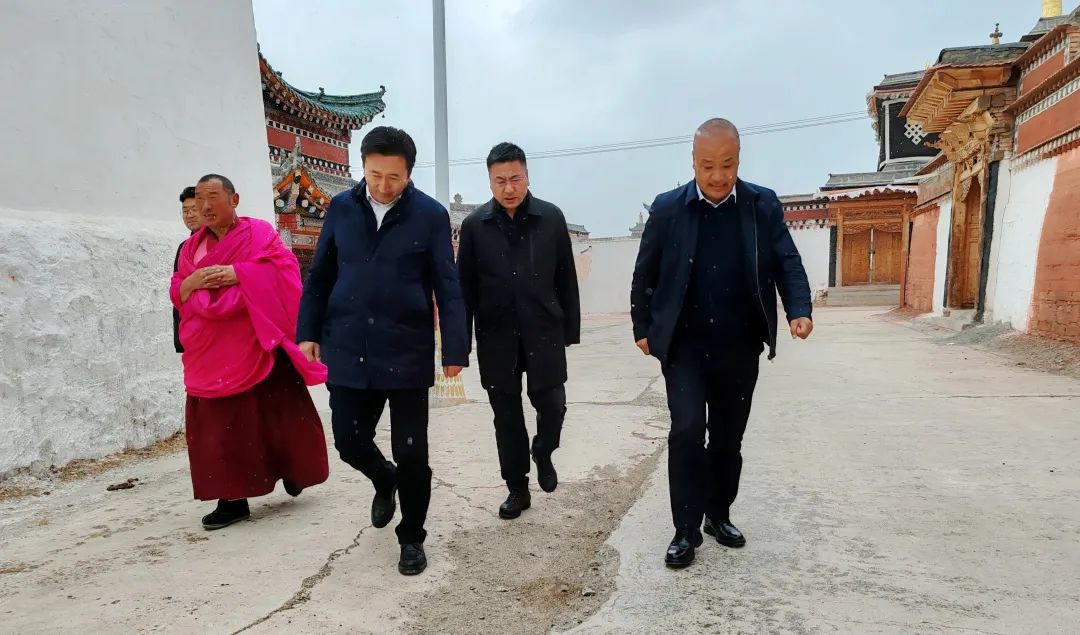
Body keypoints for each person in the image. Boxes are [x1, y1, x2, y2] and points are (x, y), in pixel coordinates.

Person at [630, 119, 813, 568]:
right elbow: (645, 272)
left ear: (739, 160)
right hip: (684, 346)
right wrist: (642, 327)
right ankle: (684, 529)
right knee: (687, 430)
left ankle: (718, 514)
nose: (717, 176)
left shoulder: (760, 204)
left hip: (739, 342)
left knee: (728, 438)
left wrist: (799, 309)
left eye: (727, 165)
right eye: (708, 165)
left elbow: (786, 260)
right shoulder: (668, 208)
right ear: (693, 162)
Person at [297, 127, 468, 576]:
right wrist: (308, 330)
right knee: (348, 440)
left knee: (412, 453)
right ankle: (382, 477)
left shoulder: (429, 215)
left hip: (406, 348)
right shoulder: (341, 208)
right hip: (348, 343)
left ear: (409, 173)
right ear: (364, 167)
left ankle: (411, 537)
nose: (384, 186)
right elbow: (320, 275)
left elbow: (447, 285)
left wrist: (455, 348)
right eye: (375, 175)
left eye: (394, 177)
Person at [171, 174, 330, 530]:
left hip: (258, 342)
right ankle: (231, 499)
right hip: (208, 350)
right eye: (199, 198)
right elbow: (177, 289)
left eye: (213, 196)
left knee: (279, 417)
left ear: (234, 199)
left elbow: (286, 271)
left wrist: (239, 273)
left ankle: (295, 470)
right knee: (219, 428)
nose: (205, 206)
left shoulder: (258, 234)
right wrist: (192, 283)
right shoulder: (189, 249)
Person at [457, 142, 580, 520]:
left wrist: (569, 330)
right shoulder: (474, 226)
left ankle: (543, 449)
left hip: (544, 331)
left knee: (553, 405)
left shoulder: (551, 218)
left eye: (515, 179)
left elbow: (566, 278)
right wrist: (459, 346)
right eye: (500, 181)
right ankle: (517, 488)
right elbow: (465, 290)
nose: (509, 188)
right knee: (507, 419)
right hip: (496, 337)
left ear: (527, 176)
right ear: (489, 181)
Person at [173, 186, 201, 354]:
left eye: (194, 210)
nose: (189, 215)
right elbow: (178, 291)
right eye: (185, 211)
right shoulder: (183, 248)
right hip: (192, 332)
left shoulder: (222, 243)